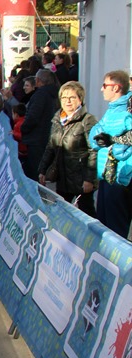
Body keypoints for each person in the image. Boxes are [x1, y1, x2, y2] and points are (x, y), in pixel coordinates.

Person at [38, 81, 98, 217]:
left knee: (87, 215)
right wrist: (42, 170)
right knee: (60, 213)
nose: (68, 101)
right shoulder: (57, 120)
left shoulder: (88, 121)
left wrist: (89, 179)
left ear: (80, 99)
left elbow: (94, 151)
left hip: (81, 180)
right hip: (62, 177)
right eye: (64, 98)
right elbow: (51, 146)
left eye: (72, 97)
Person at [89, 70, 132, 239]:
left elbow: (122, 146)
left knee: (115, 234)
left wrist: (112, 144)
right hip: (106, 175)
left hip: (120, 178)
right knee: (104, 228)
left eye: (105, 85)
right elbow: (94, 137)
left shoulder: (126, 112)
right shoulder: (112, 110)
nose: (101, 89)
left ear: (116, 88)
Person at [20, 69, 60, 180]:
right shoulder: (52, 94)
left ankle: (38, 194)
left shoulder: (41, 95)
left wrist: (23, 128)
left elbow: (33, 117)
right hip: (44, 136)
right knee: (39, 170)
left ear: (38, 80)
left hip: (37, 139)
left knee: (35, 171)